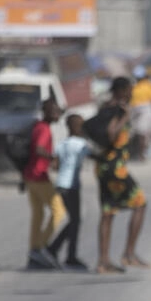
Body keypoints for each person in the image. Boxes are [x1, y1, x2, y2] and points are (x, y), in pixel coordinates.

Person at [95, 77, 150, 274]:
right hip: (115, 169)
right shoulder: (117, 109)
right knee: (140, 203)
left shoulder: (104, 107)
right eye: (128, 90)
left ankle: (103, 262)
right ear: (119, 90)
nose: (130, 94)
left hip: (103, 167)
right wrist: (126, 117)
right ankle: (128, 254)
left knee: (108, 212)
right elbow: (111, 134)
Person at [47, 114, 93, 270]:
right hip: (71, 186)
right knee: (75, 220)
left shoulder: (63, 143)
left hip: (61, 184)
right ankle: (65, 254)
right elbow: (94, 156)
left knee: (74, 220)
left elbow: (55, 165)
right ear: (75, 127)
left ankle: (56, 250)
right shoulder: (81, 144)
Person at [24, 98, 66, 269]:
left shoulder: (38, 126)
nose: (58, 114)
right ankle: (39, 247)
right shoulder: (44, 130)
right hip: (39, 177)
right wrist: (53, 158)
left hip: (30, 176)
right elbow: (39, 149)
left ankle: (34, 247)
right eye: (55, 111)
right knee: (59, 210)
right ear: (48, 112)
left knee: (38, 214)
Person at [129, 65, 151, 159]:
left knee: (143, 133)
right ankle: (141, 153)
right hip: (138, 110)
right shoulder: (136, 86)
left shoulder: (147, 85)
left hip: (145, 110)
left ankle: (143, 153)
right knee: (140, 133)